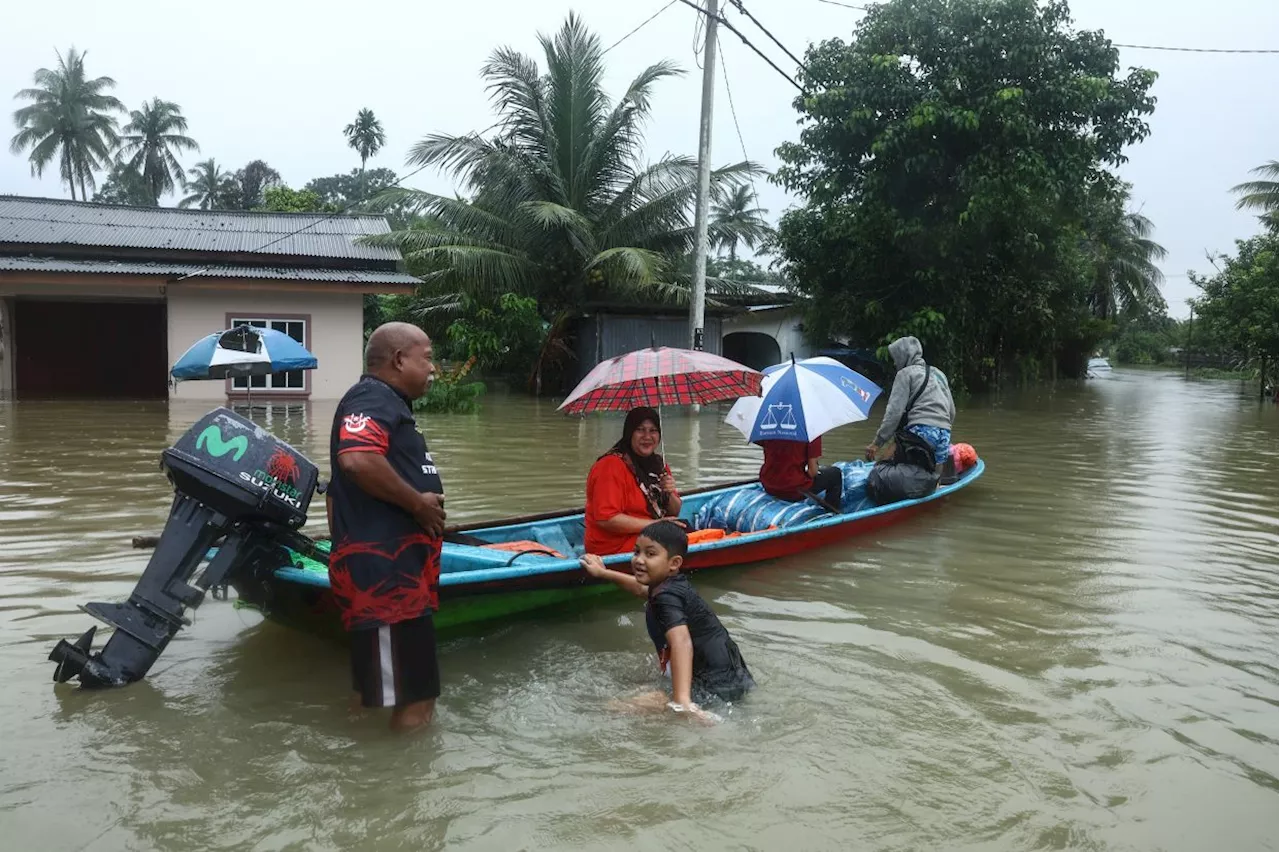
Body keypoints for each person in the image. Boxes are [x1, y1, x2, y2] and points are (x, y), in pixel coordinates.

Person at [327, 322, 446, 733]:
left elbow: (334, 494)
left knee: (376, 694)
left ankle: (363, 767)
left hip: (388, 577)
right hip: (388, 580)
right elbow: (357, 460)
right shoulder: (373, 397)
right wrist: (419, 504)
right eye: (428, 358)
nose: (434, 369)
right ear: (399, 359)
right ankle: (398, 791)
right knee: (418, 697)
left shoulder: (386, 404)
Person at [580, 521, 755, 722]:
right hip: (732, 676)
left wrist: (682, 701)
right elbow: (641, 590)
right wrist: (604, 573)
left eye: (650, 554)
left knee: (611, 708)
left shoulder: (666, 596)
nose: (639, 560)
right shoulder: (669, 585)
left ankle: (682, 703)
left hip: (715, 687)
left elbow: (681, 641)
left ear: (674, 563)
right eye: (637, 552)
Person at [583, 407, 682, 556]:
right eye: (640, 430)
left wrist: (669, 493)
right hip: (612, 546)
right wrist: (655, 525)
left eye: (653, 430)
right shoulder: (610, 465)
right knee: (682, 540)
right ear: (630, 433)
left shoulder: (658, 464)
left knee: (685, 528)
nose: (647, 436)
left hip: (649, 535)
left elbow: (674, 511)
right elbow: (607, 519)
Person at [866, 336, 956, 469]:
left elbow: (894, 414)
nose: (895, 364)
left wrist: (877, 443)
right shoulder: (939, 374)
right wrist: (940, 429)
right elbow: (952, 412)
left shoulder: (905, 374)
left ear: (902, 356)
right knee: (934, 477)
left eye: (895, 359)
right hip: (945, 433)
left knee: (882, 466)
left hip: (921, 432)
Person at [758, 437, 843, 511]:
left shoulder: (770, 429)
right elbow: (812, 472)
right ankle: (831, 512)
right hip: (793, 490)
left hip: (768, 484)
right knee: (835, 474)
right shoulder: (811, 432)